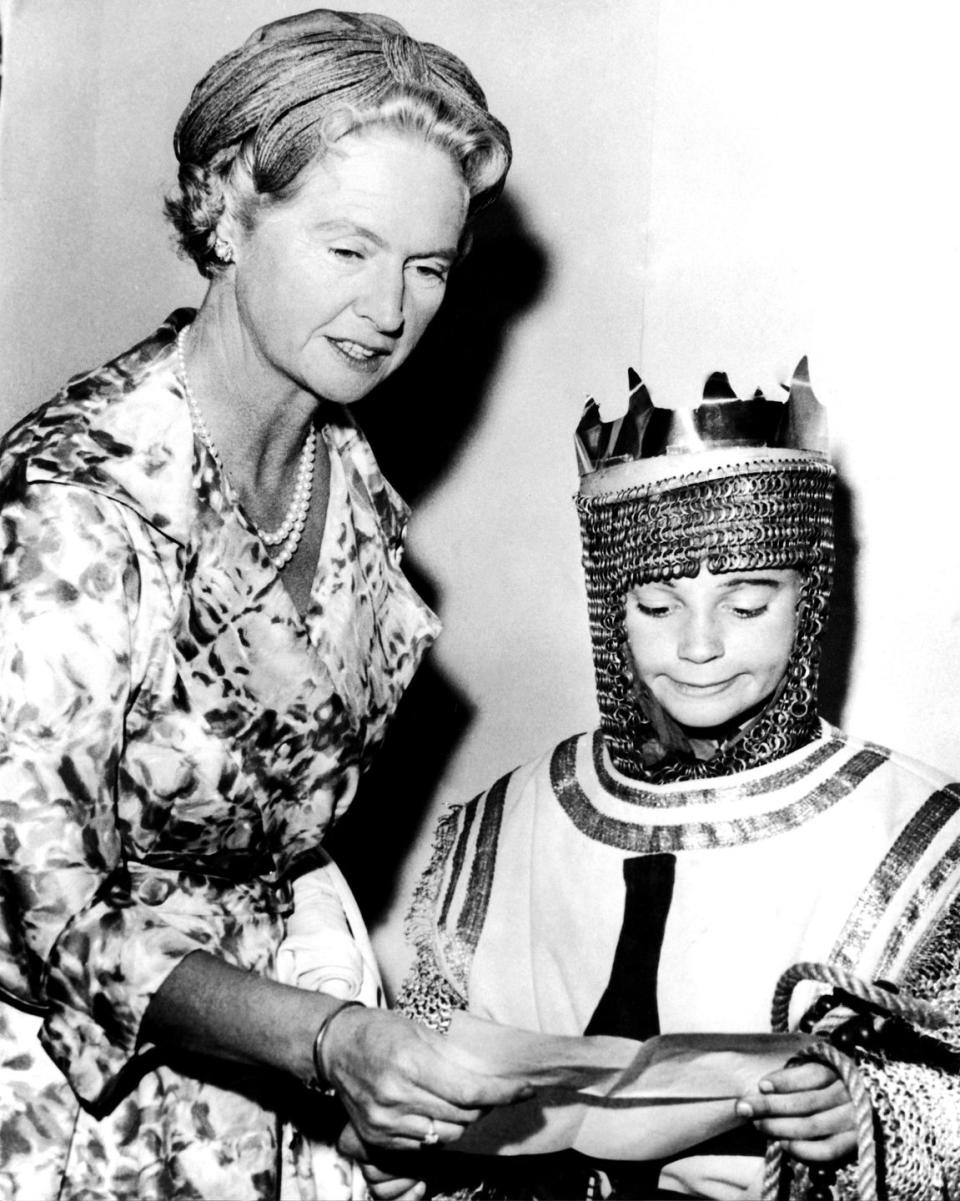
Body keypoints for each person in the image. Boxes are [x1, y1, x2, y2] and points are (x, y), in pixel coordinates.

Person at [0, 10, 529, 1200]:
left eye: (428, 265)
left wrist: (351, 1041)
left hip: (291, 1081)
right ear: (227, 214)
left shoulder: (345, 477)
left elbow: (286, 846)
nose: (392, 308)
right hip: (81, 1107)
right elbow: (49, 914)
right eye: (349, 249)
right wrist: (326, 1037)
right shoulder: (76, 506)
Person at [397, 364, 960, 1199]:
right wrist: (418, 1156)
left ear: (810, 598)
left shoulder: (914, 835)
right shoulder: (509, 823)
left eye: (746, 604)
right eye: (657, 607)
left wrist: (869, 1111)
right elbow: (429, 1056)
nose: (699, 646)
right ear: (608, 606)